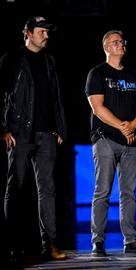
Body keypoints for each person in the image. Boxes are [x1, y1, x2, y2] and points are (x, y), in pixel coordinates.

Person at [0, 16, 67, 261]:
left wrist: (59, 127)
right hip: (19, 133)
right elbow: (3, 94)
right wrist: (4, 128)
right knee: (15, 188)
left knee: (47, 190)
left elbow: (56, 96)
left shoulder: (50, 60)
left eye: (48, 32)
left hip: (47, 133)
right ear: (27, 32)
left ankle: (49, 244)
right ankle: (12, 246)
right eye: (41, 31)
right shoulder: (12, 59)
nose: (46, 35)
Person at [85, 30, 136, 256]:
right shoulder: (97, 73)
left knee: (129, 193)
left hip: (131, 141)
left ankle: (131, 240)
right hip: (106, 139)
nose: (121, 45)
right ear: (106, 47)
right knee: (102, 191)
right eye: (116, 42)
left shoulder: (134, 74)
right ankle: (98, 241)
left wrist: (133, 124)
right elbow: (97, 107)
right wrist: (122, 126)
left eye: (122, 41)